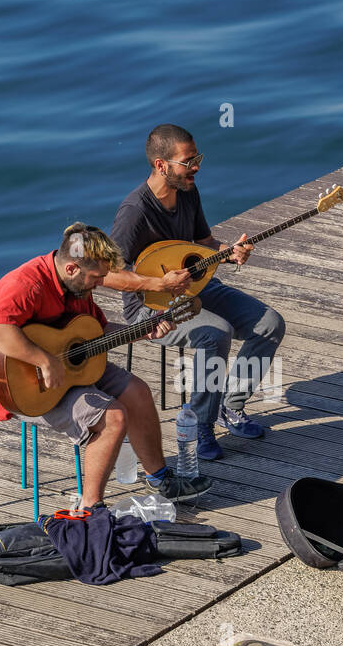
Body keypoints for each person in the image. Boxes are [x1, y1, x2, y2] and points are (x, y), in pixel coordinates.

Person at [0, 222, 213, 507]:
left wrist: (143, 329)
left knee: (137, 391)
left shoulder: (77, 288)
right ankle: (91, 508)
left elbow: (96, 330)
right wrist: (44, 360)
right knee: (112, 418)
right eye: (96, 278)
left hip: (75, 371)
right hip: (19, 387)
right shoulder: (26, 283)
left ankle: (160, 478)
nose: (100, 283)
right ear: (72, 269)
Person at [106, 123, 286, 460]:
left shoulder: (188, 191)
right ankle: (202, 424)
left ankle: (229, 406)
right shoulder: (134, 212)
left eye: (197, 158)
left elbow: (203, 244)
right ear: (161, 165)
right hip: (149, 307)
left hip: (196, 286)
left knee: (270, 323)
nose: (196, 167)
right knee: (215, 332)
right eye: (188, 161)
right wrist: (159, 284)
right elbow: (106, 274)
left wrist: (229, 251)